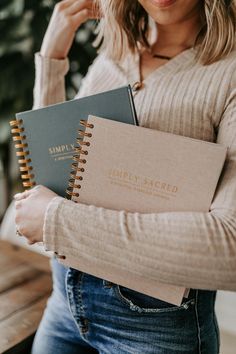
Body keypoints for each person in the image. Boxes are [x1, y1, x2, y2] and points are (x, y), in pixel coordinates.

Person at [14, 0, 236, 353]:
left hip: (154, 328)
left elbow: (231, 246)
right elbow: (55, 174)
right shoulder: (113, 56)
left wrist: (58, 221)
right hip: (66, 303)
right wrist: (53, 57)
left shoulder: (228, 74)